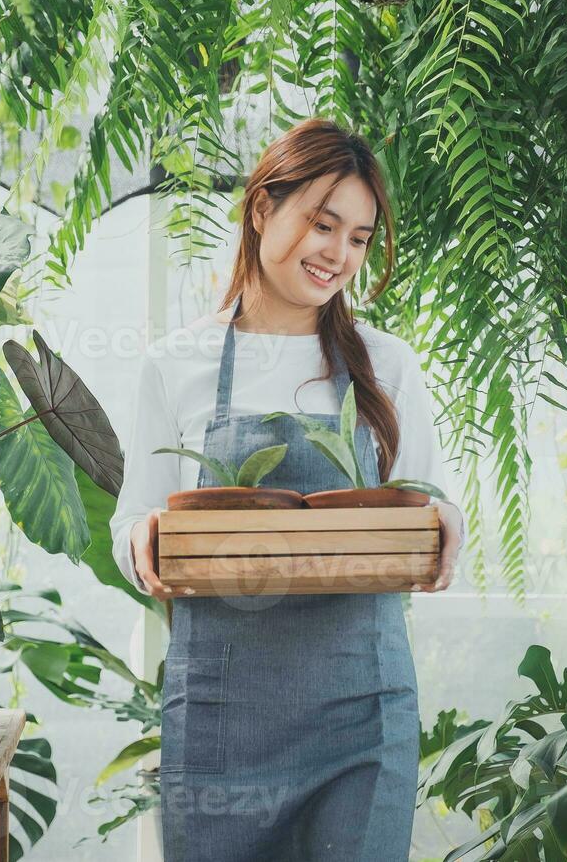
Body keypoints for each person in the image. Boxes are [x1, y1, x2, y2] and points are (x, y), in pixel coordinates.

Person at [110, 116, 467, 860]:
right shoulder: (177, 364)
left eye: (360, 237)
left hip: (362, 713)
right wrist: (143, 539)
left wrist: (447, 528)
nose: (339, 254)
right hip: (220, 718)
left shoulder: (386, 365)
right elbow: (134, 521)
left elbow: (429, 503)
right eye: (323, 223)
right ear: (263, 209)